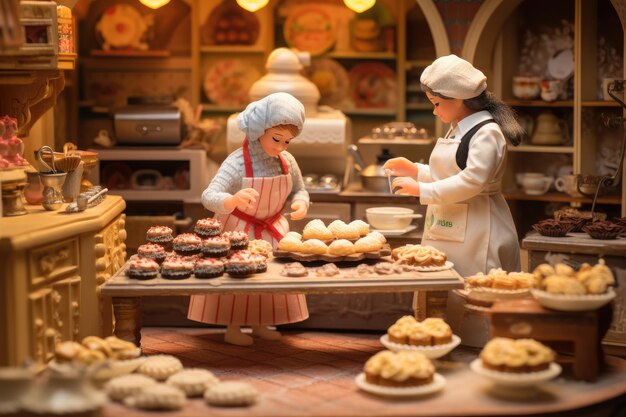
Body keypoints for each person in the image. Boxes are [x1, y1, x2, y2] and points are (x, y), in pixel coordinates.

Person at [382, 55, 523, 345]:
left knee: (472, 286)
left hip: (477, 226)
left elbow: (472, 180)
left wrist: (422, 190)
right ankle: (438, 336)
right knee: (443, 283)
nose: (434, 111)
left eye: (436, 103)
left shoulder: (486, 133)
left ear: (458, 99)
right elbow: (446, 172)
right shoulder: (458, 128)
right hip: (448, 223)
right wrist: (416, 170)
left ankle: (478, 344)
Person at [188, 92, 310, 346]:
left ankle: (261, 323)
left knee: (268, 283)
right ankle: (233, 327)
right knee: (238, 282)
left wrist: (300, 202)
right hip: (238, 232)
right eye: (276, 139)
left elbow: (299, 188)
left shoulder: (287, 161)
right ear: (257, 130)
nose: (281, 147)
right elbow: (209, 195)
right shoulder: (236, 163)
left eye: (287, 142)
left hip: (272, 232)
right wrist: (231, 201)